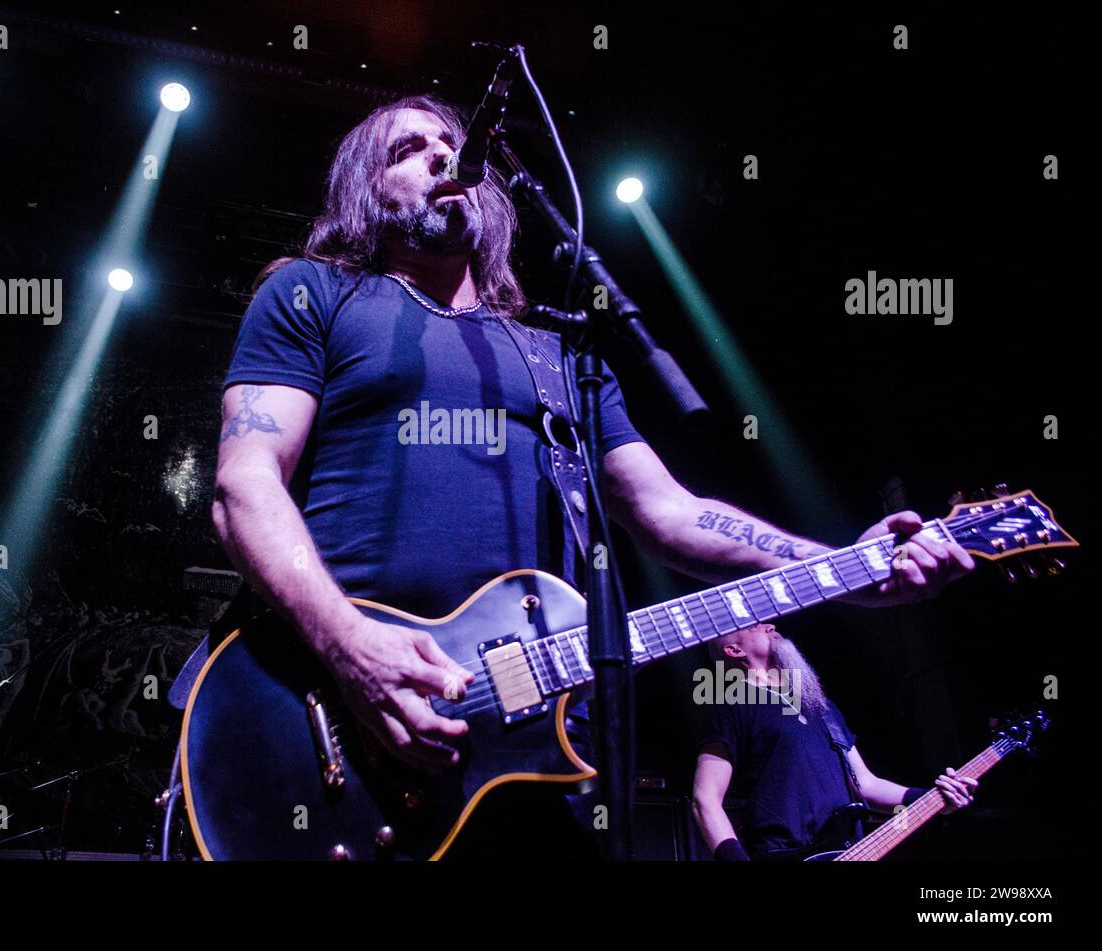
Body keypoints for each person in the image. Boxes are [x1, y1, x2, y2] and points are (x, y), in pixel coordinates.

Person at [210, 94, 974, 857]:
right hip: (329, 718)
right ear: (365, 189)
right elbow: (244, 488)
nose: (446, 155)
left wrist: (846, 566)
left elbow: (670, 512)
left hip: (530, 756)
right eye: (409, 149)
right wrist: (350, 646)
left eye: (453, 142)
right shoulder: (315, 294)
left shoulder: (558, 356)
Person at [691, 623, 978, 860]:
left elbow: (865, 785)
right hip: (785, 853)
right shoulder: (732, 704)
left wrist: (935, 797)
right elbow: (705, 798)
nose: (771, 625)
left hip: (850, 851)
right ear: (734, 649)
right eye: (756, 626)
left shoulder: (821, 705)